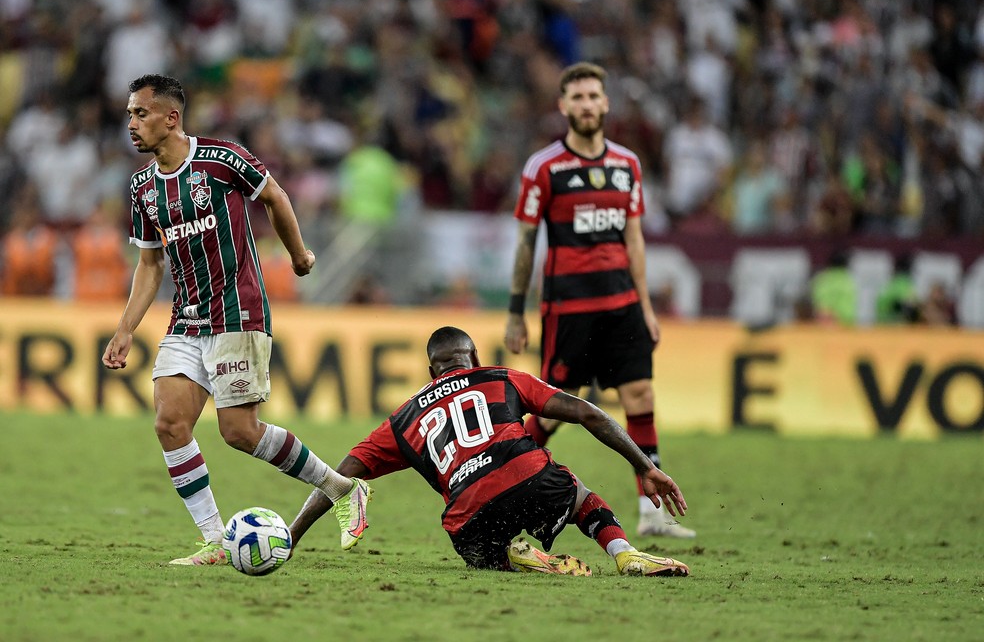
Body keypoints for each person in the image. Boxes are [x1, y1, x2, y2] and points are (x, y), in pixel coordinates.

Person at [101, 74, 371, 565]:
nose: (132, 124)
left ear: (171, 117)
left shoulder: (222, 159)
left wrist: (299, 255)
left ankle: (341, 488)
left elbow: (276, 197)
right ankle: (215, 541)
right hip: (186, 317)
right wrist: (125, 328)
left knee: (239, 432)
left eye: (140, 113)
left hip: (237, 310)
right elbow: (150, 263)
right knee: (169, 423)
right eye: (129, 114)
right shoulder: (142, 187)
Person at [288, 326, 691, 577]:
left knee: (480, 554)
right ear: (475, 358)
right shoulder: (502, 376)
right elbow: (589, 414)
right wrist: (644, 467)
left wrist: (292, 535)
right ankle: (624, 554)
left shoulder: (403, 418)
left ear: (432, 372)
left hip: (468, 519)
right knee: (580, 496)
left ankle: (511, 558)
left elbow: (336, 476)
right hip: (530, 479)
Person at [503, 61, 695, 538]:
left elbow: (634, 239)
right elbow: (526, 243)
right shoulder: (544, 167)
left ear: (606, 104)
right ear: (563, 106)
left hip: (623, 303)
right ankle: (500, 484)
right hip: (568, 308)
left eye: (594, 96)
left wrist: (646, 307)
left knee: (641, 395)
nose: (587, 105)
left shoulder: (626, 165)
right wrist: (515, 312)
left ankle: (652, 514)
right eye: (578, 97)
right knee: (553, 409)